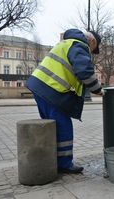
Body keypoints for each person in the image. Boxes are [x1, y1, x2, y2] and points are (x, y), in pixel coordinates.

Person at [26, 28, 104, 174]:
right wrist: (98, 89)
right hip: (51, 90)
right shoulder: (79, 45)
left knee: (52, 126)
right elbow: (84, 71)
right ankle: (64, 164)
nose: (91, 52)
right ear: (92, 41)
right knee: (63, 127)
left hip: (40, 86)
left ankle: (53, 160)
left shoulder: (67, 43)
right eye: (93, 49)